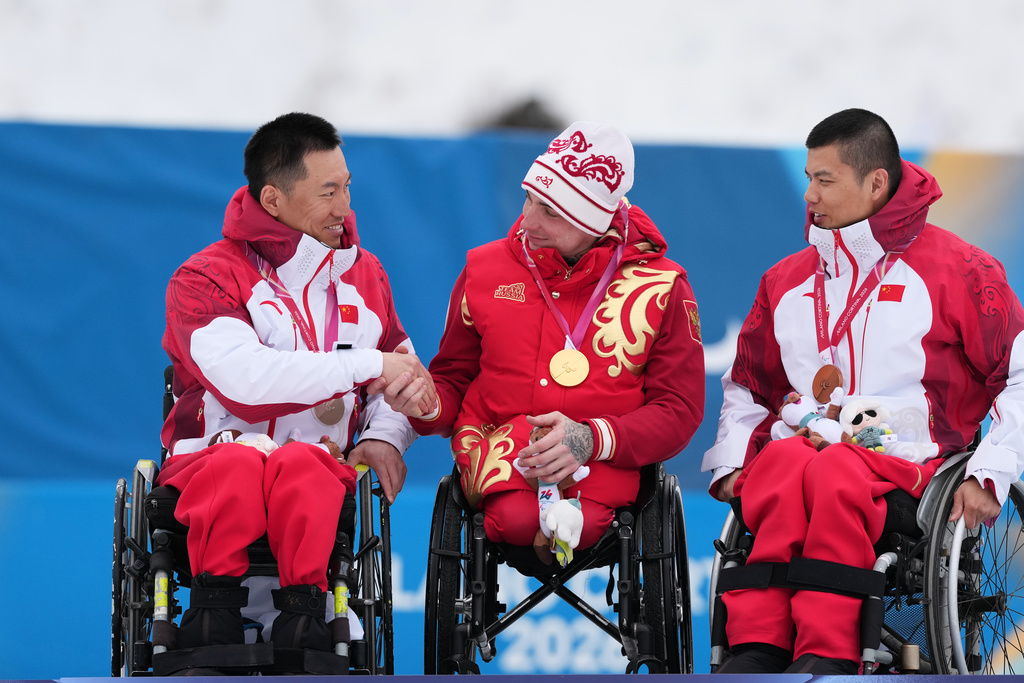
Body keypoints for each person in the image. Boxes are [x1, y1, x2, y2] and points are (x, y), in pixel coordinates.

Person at [701, 108, 1024, 675]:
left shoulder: (962, 270)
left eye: (825, 180)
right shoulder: (785, 281)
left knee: (835, 475)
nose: (809, 195)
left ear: (876, 182)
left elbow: (1019, 372)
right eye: (806, 177)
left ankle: (828, 646)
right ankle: (759, 643)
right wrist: (733, 459)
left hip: (910, 462)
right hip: (809, 446)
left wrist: (989, 472)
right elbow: (748, 384)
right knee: (777, 464)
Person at [156, 112, 435, 664]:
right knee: (235, 465)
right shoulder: (206, 278)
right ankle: (213, 614)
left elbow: (403, 376)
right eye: (328, 192)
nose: (346, 208)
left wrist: (386, 433)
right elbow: (246, 382)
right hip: (215, 466)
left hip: (317, 471)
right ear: (273, 199)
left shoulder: (366, 275)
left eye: (348, 186)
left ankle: (305, 618)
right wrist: (362, 367)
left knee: (307, 466)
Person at [376, 121, 704, 565]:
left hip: (604, 465)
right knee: (514, 517)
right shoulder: (483, 272)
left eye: (551, 212)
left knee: (573, 520)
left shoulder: (663, 287)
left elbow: (678, 410)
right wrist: (426, 404)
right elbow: (454, 379)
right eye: (530, 198)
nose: (527, 220)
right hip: (498, 457)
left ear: (595, 220)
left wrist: (591, 439)